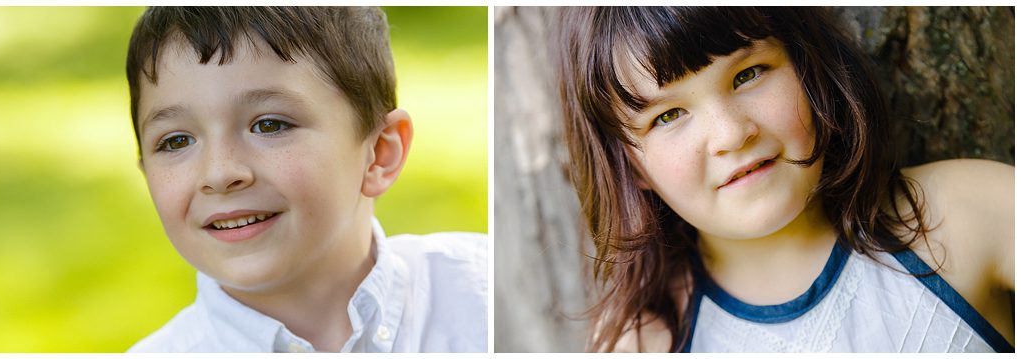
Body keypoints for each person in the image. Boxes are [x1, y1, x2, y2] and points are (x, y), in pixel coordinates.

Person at [555, 7, 1013, 353]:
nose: (731, 134)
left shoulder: (965, 213)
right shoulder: (648, 341)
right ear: (630, 167)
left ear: (807, 66)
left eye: (748, 74)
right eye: (669, 115)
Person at [124, 7, 486, 352]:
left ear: (379, 153)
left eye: (269, 125)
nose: (219, 174)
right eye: (176, 141)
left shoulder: (491, 298)